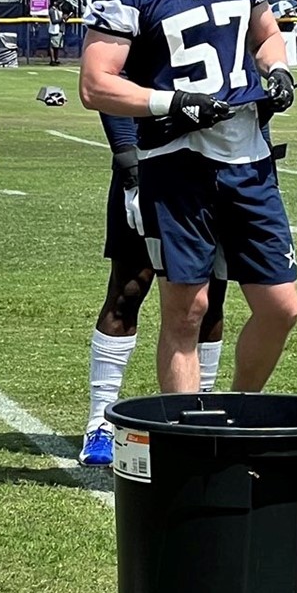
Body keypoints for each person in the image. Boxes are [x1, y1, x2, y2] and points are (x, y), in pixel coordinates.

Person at [80, 0, 297, 395]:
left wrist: (277, 70)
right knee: (187, 309)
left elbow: (266, 34)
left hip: (249, 156)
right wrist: (171, 102)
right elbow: (95, 84)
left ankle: (238, 409)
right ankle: (186, 438)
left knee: (282, 307)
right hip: (178, 161)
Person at [76, 112, 230, 467]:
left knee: (207, 300)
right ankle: (99, 422)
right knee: (128, 290)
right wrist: (129, 164)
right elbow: (112, 84)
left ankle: (199, 412)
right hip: (151, 160)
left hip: (217, 166)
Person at [46, 0, 67, 65]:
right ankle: (52, 60)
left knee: (57, 46)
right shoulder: (51, 10)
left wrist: (65, 18)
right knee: (53, 45)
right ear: (54, 2)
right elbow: (54, 21)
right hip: (54, 30)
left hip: (60, 29)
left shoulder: (58, 10)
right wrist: (62, 19)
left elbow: (61, 19)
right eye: (57, 2)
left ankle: (56, 59)